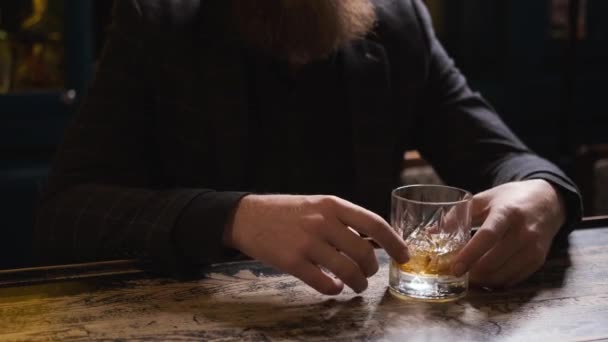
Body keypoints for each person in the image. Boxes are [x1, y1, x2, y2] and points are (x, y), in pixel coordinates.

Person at [35, 0, 582, 295]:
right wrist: (232, 218)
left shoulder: (399, 22)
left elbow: (503, 157)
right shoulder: (153, 21)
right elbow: (67, 209)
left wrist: (543, 194)